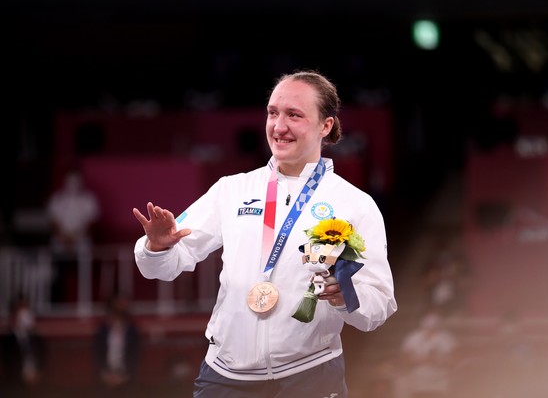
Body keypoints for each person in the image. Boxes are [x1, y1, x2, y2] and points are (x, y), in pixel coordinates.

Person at [132, 69, 397, 397]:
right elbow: (164, 267)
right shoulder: (232, 190)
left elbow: (379, 306)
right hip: (226, 374)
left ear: (325, 125)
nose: (279, 126)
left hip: (311, 374)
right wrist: (156, 248)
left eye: (294, 115)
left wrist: (347, 296)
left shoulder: (354, 204)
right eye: (273, 113)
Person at [46, 167, 100, 303]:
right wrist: (64, 237)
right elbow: (53, 221)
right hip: (60, 243)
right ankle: (55, 305)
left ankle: (86, 303)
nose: (73, 183)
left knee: (84, 276)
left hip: (81, 243)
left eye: (76, 180)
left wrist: (75, 238)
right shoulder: (57, 199)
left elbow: (91, 222)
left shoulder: (88, 199)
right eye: (70, 180)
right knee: (57, 276)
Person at [393, 311, 458, 398]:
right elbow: (404, 359)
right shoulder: (413, 337)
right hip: (418, 382)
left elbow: (454, 360)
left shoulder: (446, 338)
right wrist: (421, 360)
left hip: (440, 382)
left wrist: (438, 361)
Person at [92, 294, 141, 397]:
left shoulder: (131, 331)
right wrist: (105, 374)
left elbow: (135, 354)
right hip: (105, 374)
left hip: (126, 375)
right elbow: (97, 353)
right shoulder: (103, 331)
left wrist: (125, 375)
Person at [0, 295, 47, 397]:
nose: (25, 316)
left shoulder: (36, 338)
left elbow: (44, 357)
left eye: (27, 312)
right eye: (21, 312)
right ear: (14, 314)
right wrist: (24, 378)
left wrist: (38, 375)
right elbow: (8, 365)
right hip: (17, 385)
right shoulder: (7, 340)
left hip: (37, 382)